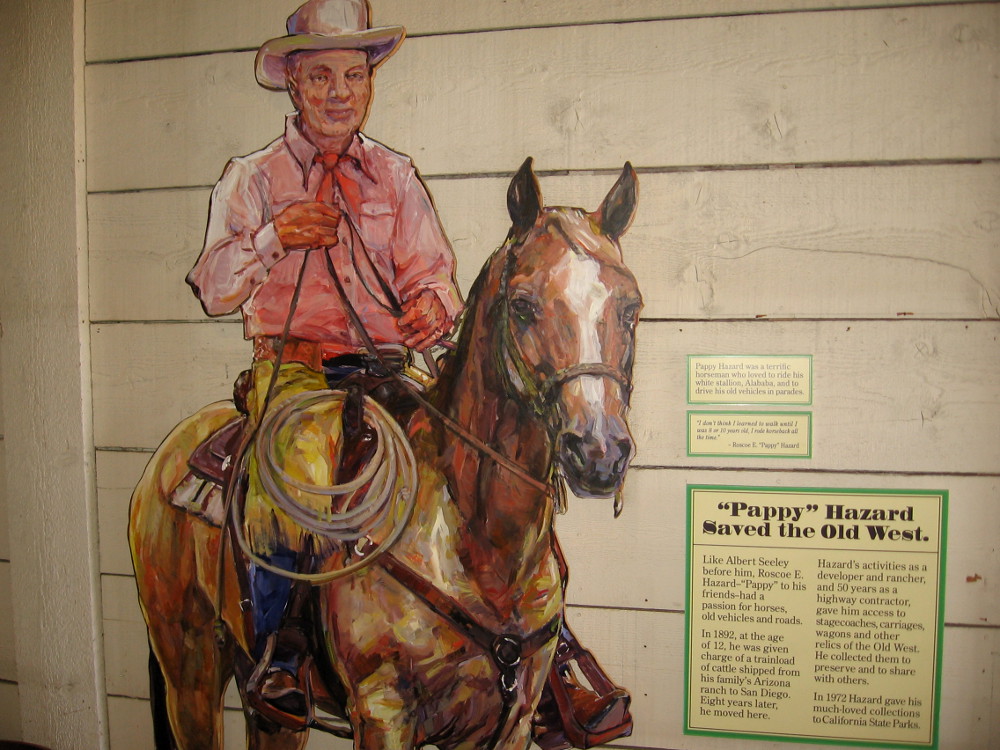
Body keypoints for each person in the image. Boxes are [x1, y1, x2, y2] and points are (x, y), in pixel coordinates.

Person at [186, 0, 462, 723]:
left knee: (467, 458)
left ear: (369, 81)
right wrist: (275, 237)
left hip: (385, 366)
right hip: (296, 371)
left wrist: (433, 308)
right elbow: (212, 288)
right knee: (302, 469)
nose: (340, 92)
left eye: (352, 75)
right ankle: (283, 648)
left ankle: (523, 640)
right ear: (291, 84)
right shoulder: (251, 179)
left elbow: (434, 277)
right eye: (320, 77)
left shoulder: (395, 178)